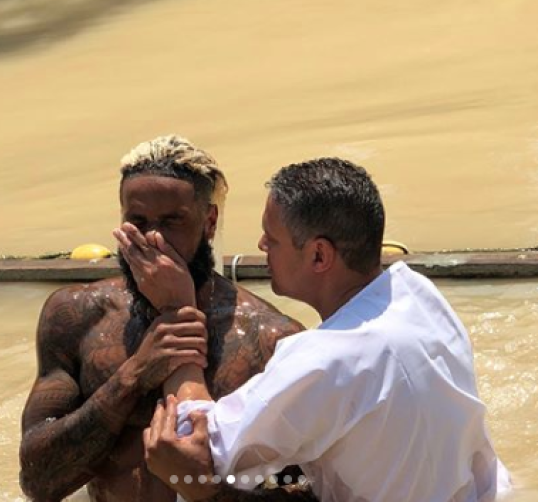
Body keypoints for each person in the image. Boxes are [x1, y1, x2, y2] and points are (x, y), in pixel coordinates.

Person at [120, 158, 512, 502]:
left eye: (271, 238)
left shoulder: (323, 360)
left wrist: (178, 308)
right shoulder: (418, 293)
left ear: (319, 255)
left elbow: (193, 446)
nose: (260, 245)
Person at [19, 136, 306, 502]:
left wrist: (203, 487)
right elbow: (37, 482)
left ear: (210, 222)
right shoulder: (77, 315)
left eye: (172, 221)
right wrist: (133, 376)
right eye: (137, 220)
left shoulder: (269, 340)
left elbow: (303, 489)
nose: (153, 237)